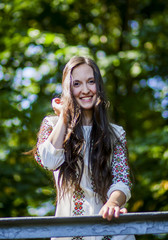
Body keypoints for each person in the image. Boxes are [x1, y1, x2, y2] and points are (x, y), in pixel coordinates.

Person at [34, 56, 135, 240]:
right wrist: (65, 116)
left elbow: (122, 181)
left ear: (99, 86)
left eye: (91, 82)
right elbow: (48, 161)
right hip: (69, 233)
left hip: (111, 231)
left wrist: (113, 203)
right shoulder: (52, 124)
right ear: (68, 89)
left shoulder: (116, 133)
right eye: (77, 84)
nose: (86, 90)